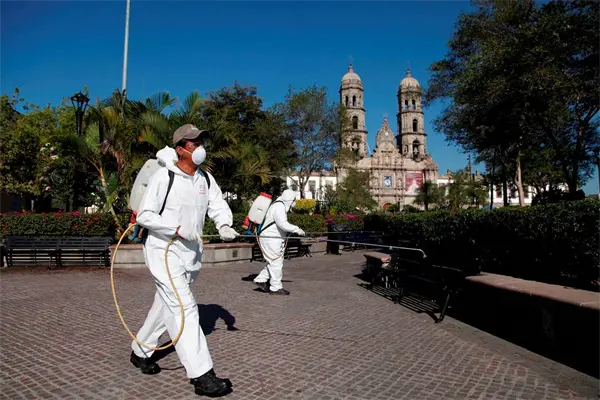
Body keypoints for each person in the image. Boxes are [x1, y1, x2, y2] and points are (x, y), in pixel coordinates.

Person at [130, 124, 239, 397]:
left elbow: (218, 205)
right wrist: (176, 229)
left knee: (165, 305)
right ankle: (202, 375)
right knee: (184, 308)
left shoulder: (205, 179)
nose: (200, 147)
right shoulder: (164, 177)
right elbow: (145, 215)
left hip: (190, 256)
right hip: (163, 252)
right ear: (180, 149)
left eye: (201, 142)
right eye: (193, 143)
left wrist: (224, 224)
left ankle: (140, 351)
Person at [253, 189, 305, 295]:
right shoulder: (279, 206)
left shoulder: (277, 205)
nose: (294, 203)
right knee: (276, 262)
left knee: (274, 261)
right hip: (271, 238)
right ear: (289, 200)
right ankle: (276, 287)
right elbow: (282, 224)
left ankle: (261, 279)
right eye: (293, 200)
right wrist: (296, 229)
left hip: (272, 238)